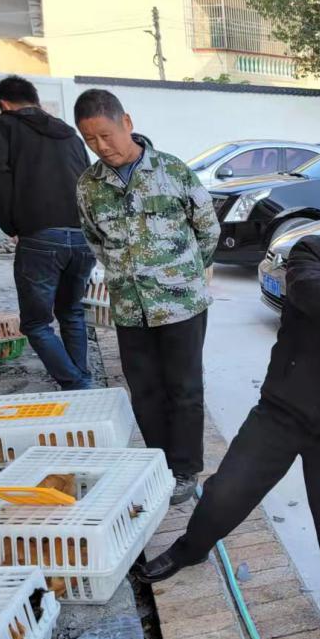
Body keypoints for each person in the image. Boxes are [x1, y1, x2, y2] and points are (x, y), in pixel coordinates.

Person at [133, 176, 320, 639]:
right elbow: (313, 294)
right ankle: (190, 548)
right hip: (283, 409)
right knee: (228, 490)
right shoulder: (314, 253)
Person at [73, 88, 219, 506]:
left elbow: (207, 230)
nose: (101, 147)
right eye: (90, 140)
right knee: (145, 388)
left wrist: (183, 272)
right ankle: (159, 463)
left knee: (185, 388)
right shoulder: (89, 186)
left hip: (180, 304)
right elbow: (94, 239)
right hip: (129, 306)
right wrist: (127, 275)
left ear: (127, 123)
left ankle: (186, 469)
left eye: (106, 135)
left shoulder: (172, 172)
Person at [0, 75, 95, 390]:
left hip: (42, 237)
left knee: (35, 323)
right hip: (83, 236)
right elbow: (88, 181)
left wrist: (11, 225)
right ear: (36, 101)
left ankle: (77, 384)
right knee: (71, 312)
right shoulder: (68, 133)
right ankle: (81, 380)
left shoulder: (2, 126)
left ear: (4, 104)